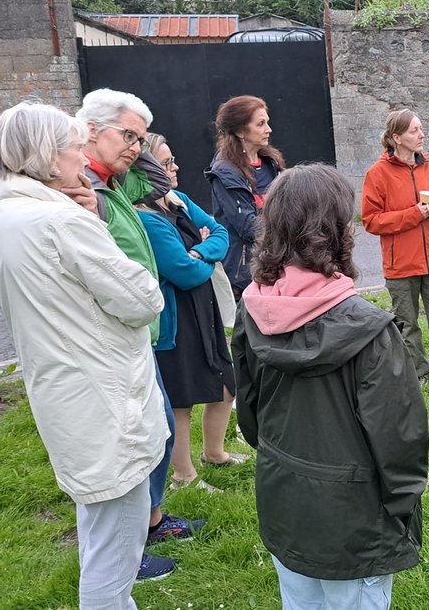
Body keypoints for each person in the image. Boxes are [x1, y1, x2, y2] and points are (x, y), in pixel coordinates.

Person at [0, 102, 169, 608]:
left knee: (99, 523)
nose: (83, 162)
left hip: (65, 392)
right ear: (46, 155)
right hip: (106, 399)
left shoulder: (2, 216)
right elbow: (144, 299)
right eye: (73, 149)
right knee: (115, 550)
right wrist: (95, 226)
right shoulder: (62, 221)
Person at [233, 164, 428, 610]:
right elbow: (400, 438)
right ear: (336, 231)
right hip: (352, 517)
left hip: (284, 494)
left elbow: (249, 411)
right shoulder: (371, 329)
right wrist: (402, 506)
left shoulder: (254, 307)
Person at [77, 88, 205, 579]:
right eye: (127, 135)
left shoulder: (114, 181)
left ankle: (151, 521)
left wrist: (143, 155)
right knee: (131, 443)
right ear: (90, 130)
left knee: (157, 432)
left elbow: (158, 177)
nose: (135, 146)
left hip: (139, 327)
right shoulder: (82, 187)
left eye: (140, 137)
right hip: (113, 333)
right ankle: (126, 550)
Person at [137, 133, 245, 494]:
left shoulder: (178, 201)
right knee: (181, 398)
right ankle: (183, 475)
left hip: (204, 309)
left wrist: (200, 249)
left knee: (225, 383)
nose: (175, 166)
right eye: (166, 162)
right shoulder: (146, 219)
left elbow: (220, 233)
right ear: (147, 168)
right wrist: (202, 254)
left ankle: (214, 452)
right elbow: (182, 272)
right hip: (175, 319)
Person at [362, 109, 429, 397]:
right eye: (414, 131)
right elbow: (371, 221)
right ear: (396, 138)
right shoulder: (377, 173)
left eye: (421, 129)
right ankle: (416, 374)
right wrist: (415, 214)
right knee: (406, 324)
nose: (421, 135)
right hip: (400, 266)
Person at [205, 95, 285, 299]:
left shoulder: (270, 163)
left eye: (267, 122)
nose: (269, 129)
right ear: (241, 131)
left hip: (277, 261)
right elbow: (249, 227)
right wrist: (291, 231)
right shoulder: (225, 172)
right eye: (260, 124)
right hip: (247, 272)